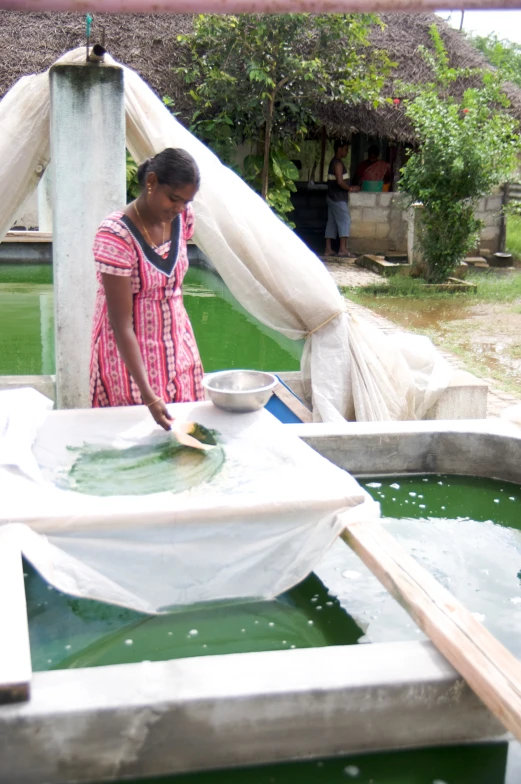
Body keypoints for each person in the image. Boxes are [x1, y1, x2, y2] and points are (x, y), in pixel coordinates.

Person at [89, 147, 204, 432]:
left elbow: (171, 285)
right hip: (130, 359)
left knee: (184, 438)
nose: (179, 208)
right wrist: (148, 395)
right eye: (174, 199)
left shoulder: (183, 217)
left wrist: (180, 349)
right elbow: (120, 324)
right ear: (151, 182)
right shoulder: (115, 235)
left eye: (186, 201)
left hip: (178, 347)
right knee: (135, 444)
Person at [324, 140, 359, 258]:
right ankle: (342, 249)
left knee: (332, 223)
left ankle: (328, 249)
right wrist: (350, 188)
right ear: (339, 149)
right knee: (345, 220)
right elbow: (339, 181)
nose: (347, 152)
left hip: (331, 196)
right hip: (338, 198)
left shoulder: (334, 162)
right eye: (345, 149)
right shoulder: (338, 163)